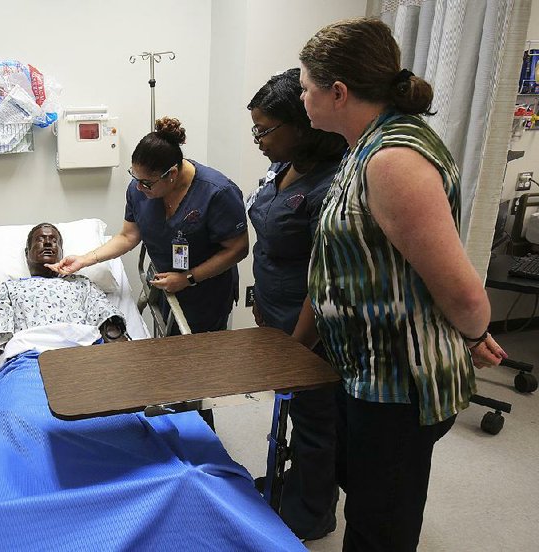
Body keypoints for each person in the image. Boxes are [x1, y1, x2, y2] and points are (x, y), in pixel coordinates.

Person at [298, 18, 507, 551]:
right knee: (367, 501)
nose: (301, 98)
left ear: (338, 92)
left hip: (398, 384)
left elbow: (460, 290)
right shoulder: (363, 146)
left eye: (305, 88)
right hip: (365, 370)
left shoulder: (394, 161)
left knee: (380, 528)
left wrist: (473, 329)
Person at [46, 117, 249, 428]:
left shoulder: (216, 192)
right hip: (167, 284)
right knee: (168, 362)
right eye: (135, 178)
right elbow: (129, 236)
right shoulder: (140, 189)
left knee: (198, 370)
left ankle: (202, 435)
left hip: (207, 292)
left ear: (172, 174)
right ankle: (167, 424)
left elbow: (238, 249)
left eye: (147, 183)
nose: (139, 188)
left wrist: (190, 277)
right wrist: (85, 259)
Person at [246, 68, 346, 541]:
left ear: (301, 125)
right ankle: (291, 484)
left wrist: (298, 347)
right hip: (277, 316)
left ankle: (312, 514)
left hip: (312, 330)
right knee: (293, 412)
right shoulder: (286, 167)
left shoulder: (331, 186)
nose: (258, 139)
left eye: (265, 130)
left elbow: (323, 283)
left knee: (315, 421)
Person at [0, 223, 128, 413]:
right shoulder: (11, 288)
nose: (48, 243)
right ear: (27, 253)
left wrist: (125, 361)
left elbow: (108, 322)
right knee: (28, 413)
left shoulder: (82, 284)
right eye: (40, 239)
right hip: (31, 362)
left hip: (84, 358)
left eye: (54, 240)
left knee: (110, 413)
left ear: (61, 252)